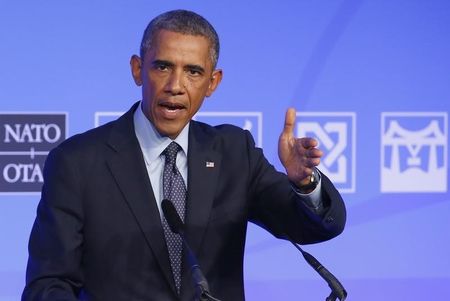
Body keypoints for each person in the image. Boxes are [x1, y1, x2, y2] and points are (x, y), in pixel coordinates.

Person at [22, 9, 346, 301]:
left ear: (212, 82)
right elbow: (47, 286)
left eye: (193, 71)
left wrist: (305, 185)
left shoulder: (234, 153)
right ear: (138, 69)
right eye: (163, 66)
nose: (175, 85)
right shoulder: (78, 162)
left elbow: (313, 228)